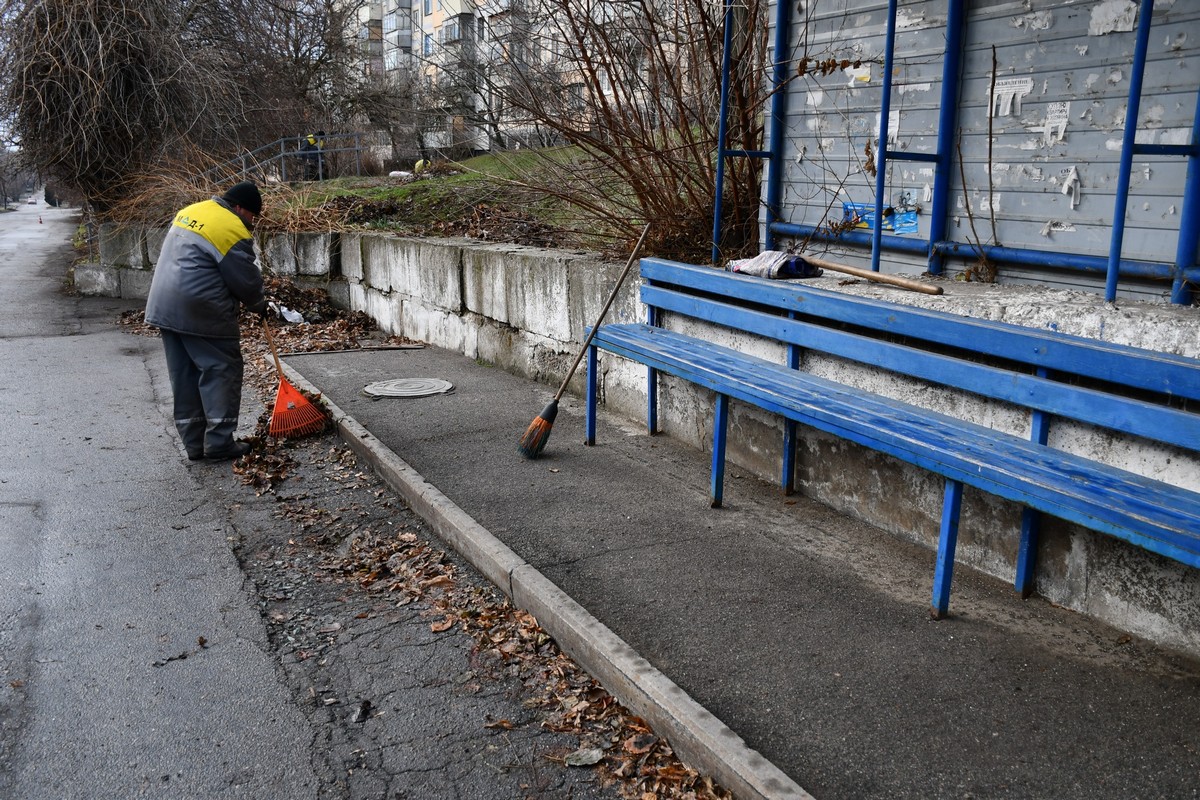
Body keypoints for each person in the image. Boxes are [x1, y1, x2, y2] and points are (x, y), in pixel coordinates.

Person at [144, 180, 268, 461]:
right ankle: (220, 442)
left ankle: (194, 444)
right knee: (222, 368)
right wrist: (259, 305)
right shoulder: (231, 227)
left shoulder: (192, 211)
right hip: (200, 309)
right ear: (239, 208)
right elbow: (245, 281)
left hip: (164, 306)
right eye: (251, 216)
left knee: (185, 374)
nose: (252, 223)